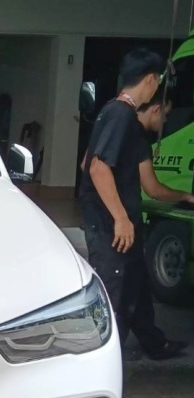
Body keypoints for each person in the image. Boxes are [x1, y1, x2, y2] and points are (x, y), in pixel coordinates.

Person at [78, 48, 188, 361]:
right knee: (113, 295)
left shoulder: (112, 112)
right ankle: (101, 361)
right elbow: (97, 167)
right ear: (151, 80)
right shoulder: (121, 114)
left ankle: (154, 343)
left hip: (113, 221)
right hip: (111, 226)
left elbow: (87, 162)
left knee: (135, 285)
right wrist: (120, 217)